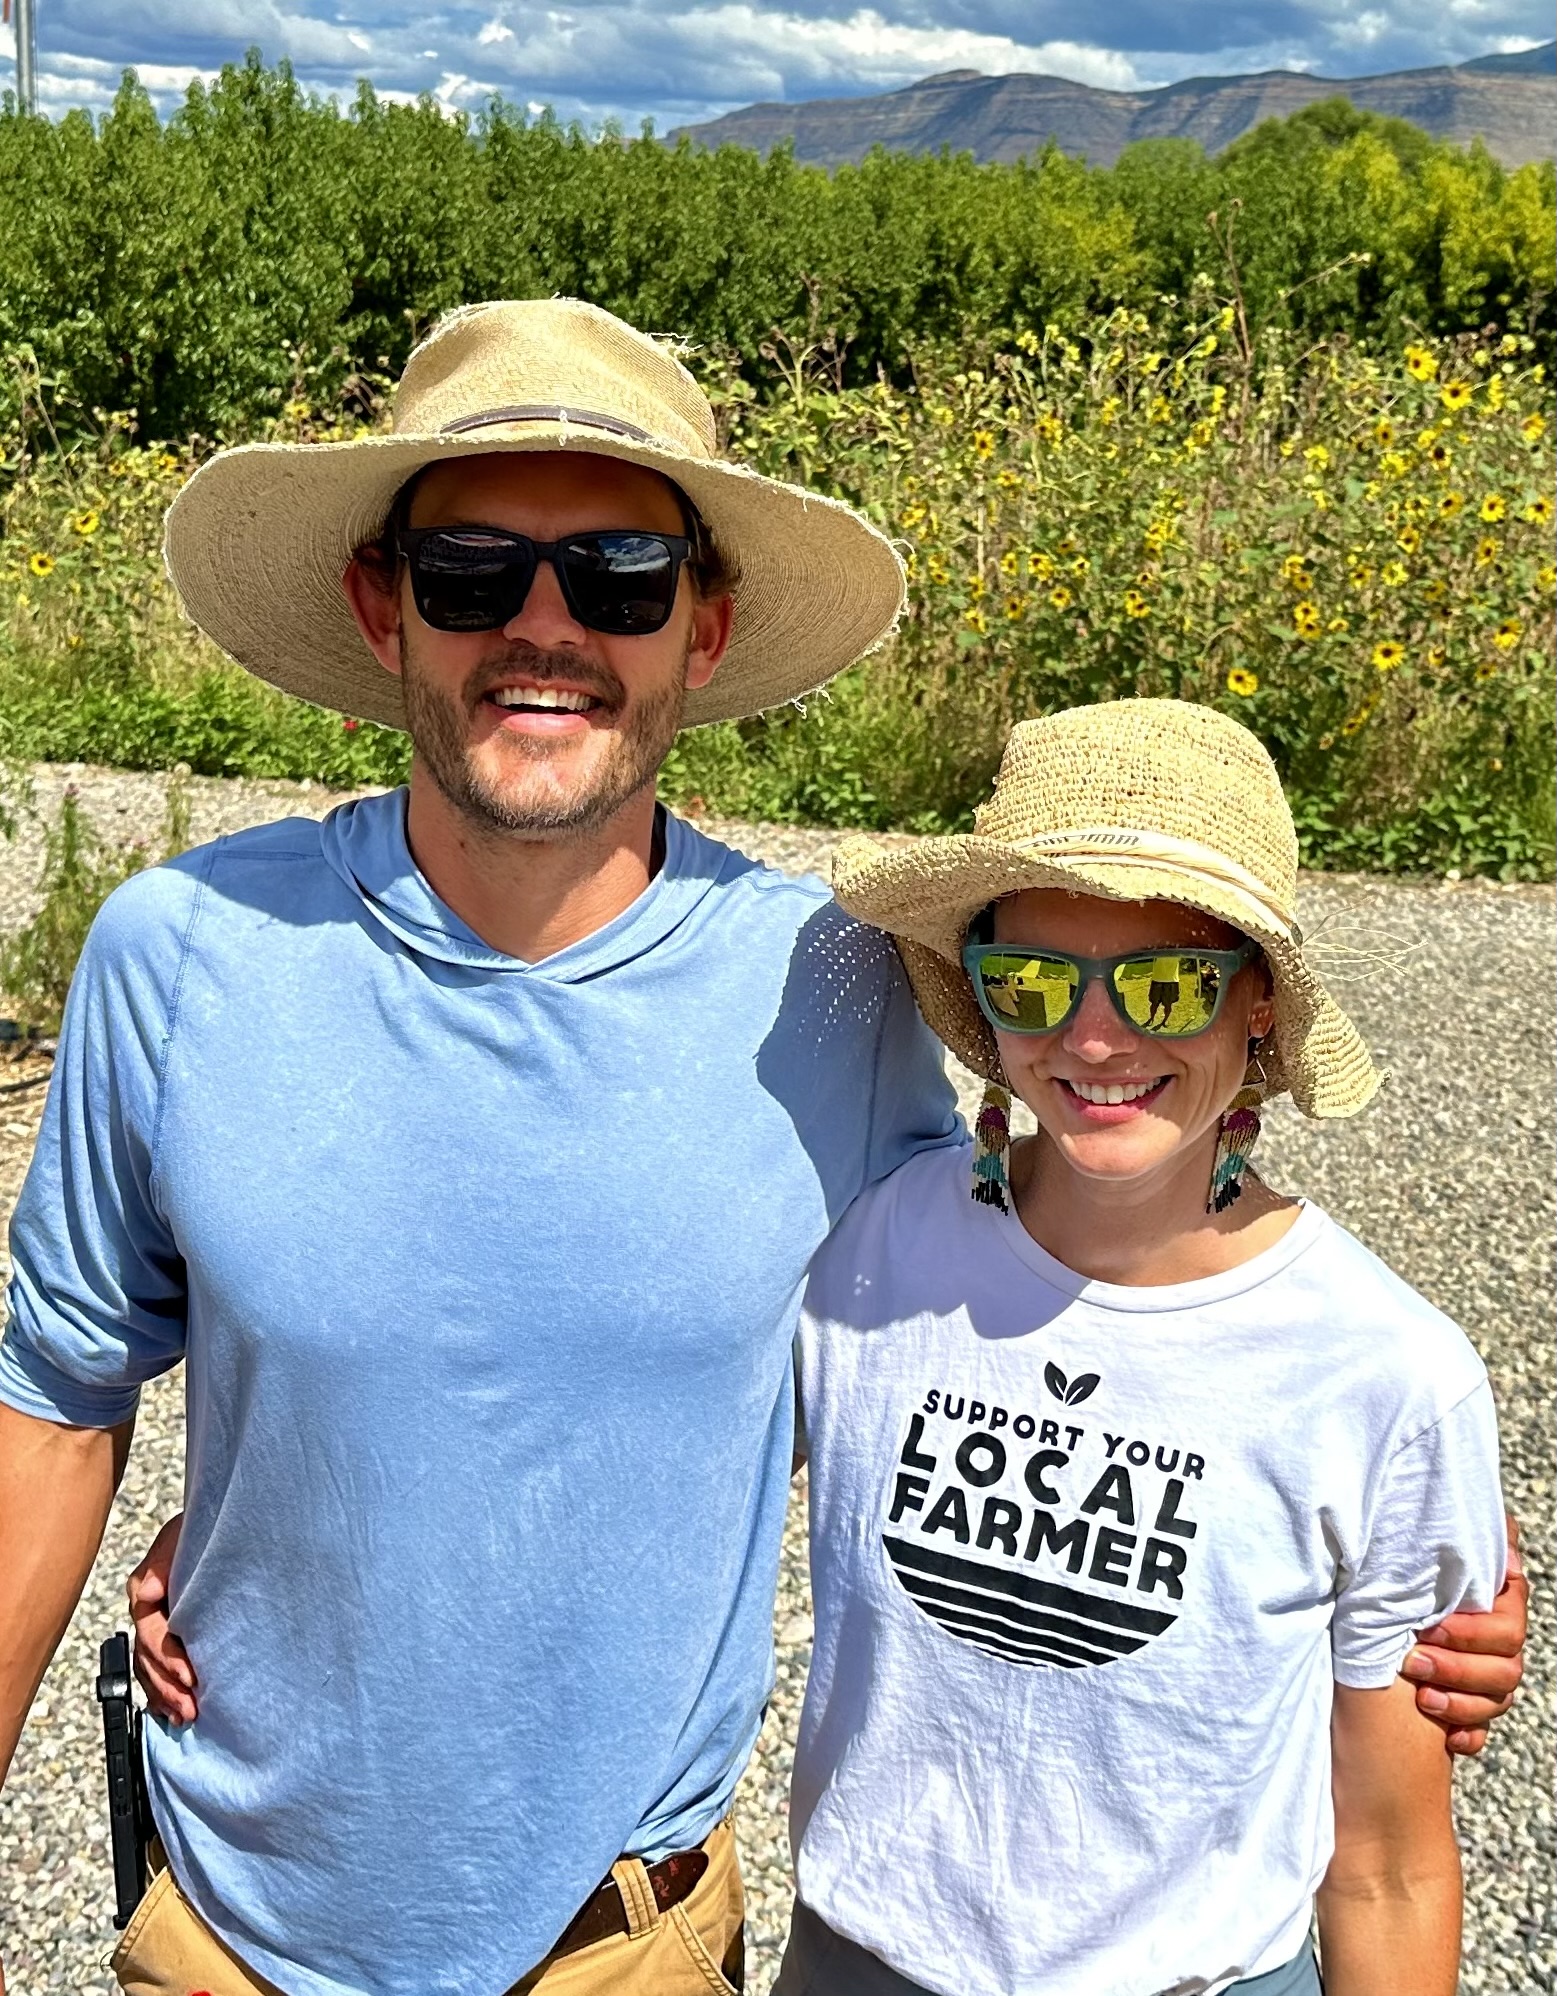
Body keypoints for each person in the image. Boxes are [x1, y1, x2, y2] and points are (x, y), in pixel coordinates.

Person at [0, 302, 1524, 1996]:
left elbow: (1023, 1316)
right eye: (474, 572)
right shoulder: (178, 952)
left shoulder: (825, 987)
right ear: (383, 607)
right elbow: (54, 1407)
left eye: (623, 579)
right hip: (230, 1933)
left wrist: (1386, 1576)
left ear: (702, 629)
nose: (547, 629)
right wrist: (258, 1515)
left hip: (627, 1947)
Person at [776, 699, 1512, 1996]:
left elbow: (1388, 1864)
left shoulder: (1386, 1375)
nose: (1097, 1039)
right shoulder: (866, 1251)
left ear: (1259, 1020)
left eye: (1168, 983)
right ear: (985, 1010)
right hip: (856, 1964)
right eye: (1034, 983)